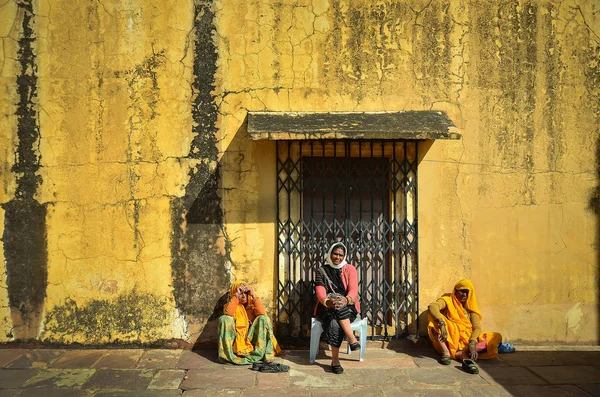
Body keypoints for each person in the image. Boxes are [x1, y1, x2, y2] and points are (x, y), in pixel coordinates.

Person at [427, 279, 515, 374]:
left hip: (468, 342)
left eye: (467, 292)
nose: (464, 295)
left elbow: (477, 328)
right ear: (455, 291)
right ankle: (446, 353)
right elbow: (433, 306)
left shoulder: (471, 309)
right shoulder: (448, 300)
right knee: (433, 318)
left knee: (495, 336)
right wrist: (441, 323)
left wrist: (472, 344)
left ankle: (463, 354)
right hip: (449, 339)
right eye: (462, 291)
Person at [314, 242, 361, 374]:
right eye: (335, 254)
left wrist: (346, 300)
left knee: (337, 318)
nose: (338, 257)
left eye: (341, 255)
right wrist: (328, 302)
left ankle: (335, 361)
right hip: (327, 306)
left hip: (348, 305)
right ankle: (351, 338)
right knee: (335, 316)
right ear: (330, 254)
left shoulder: (350, 269)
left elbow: (353, 289)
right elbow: (320, 290)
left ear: (344, 256)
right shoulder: (322, 270)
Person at [218, 280, 286, 371]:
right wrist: (236, 296)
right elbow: (228, 313)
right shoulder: (230, 305)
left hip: (252, 339)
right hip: (238, 340)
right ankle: (228, 356)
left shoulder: (253, 304)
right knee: (224, 319)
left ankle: (263, 354)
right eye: (240, 293)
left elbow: (262, 313)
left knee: (264, 318)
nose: (243, 295)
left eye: (246, 293)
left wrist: (253, 295)